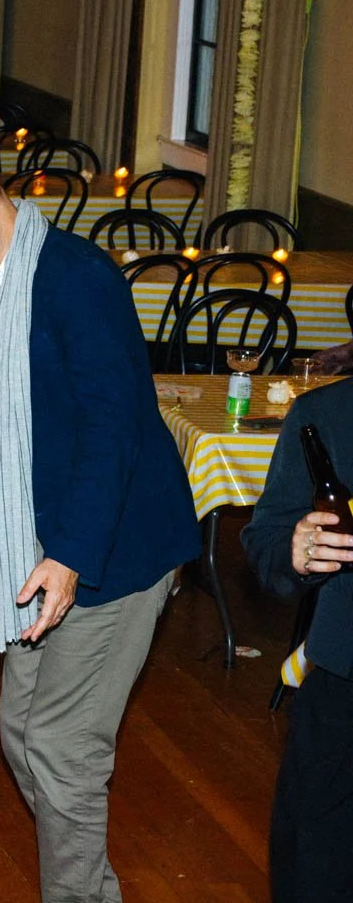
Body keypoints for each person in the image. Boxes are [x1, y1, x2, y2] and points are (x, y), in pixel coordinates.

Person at [0, 139, 200, 903]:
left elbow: (113, 427)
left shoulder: (74, 277)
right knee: (21, 734)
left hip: (114, 551)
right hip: (40, 544)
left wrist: (68, 553)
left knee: (62, 747)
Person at [242, 377, 353, 903]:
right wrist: (296, 550)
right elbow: (265, 540)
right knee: (313, 865)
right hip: (343, 675)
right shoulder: (324, 414)